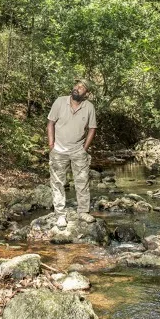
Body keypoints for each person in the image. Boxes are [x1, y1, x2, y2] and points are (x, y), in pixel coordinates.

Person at [47, 79, 97, 228]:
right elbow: (50, 123)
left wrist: (84, 149)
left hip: (78, 151)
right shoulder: (60, 102)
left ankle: (83, 212)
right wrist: (51, 145)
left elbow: (92, 128)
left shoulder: (89, 107)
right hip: (58, 151)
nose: (77, 88)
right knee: (57, 183)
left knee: (82, 183)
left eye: (82, 87)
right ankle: (60, 215)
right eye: (77, 85)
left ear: (86, 94)